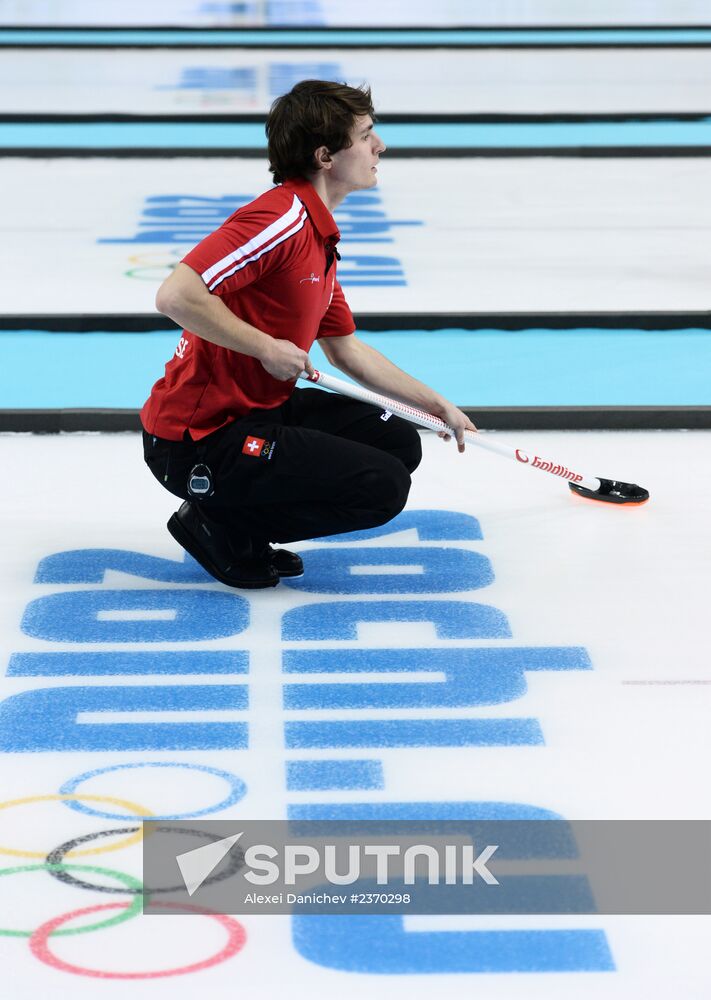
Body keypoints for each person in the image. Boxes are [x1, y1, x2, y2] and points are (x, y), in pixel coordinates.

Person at [141, 79, 475, 589]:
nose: (379, 147)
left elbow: (345, 350)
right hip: (198, 441)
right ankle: (219, 523)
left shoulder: (318, 237)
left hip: (257, 414)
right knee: (380, 487)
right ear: (325, 156)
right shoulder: (278, 219)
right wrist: (265, 347)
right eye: (366, 136)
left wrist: (435, 405)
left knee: (398, 442)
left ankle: (236, 525)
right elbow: (175, 296)